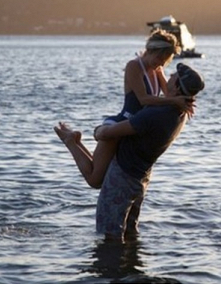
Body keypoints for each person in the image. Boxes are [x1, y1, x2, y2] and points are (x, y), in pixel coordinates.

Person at [54, 63, 205, 241]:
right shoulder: (180, 113)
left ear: (177, 86)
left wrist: (98, 130)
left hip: (123, 179)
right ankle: (131, 266)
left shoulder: (157, 114)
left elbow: (107, 133)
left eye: (173, 76)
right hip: (140, 178)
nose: (169, 77)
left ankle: (110, 267)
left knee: (109, 235)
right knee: (130, 234)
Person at [62, 30, 193, 189]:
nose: (160, 63)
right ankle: (71, 142)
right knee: (95, 180)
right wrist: (175, 101)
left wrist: (186, 101)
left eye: (164, 61)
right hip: (119, 125)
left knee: (101, 176)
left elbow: (168, 94)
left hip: (133, 129)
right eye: (159, 58)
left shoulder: (157, 70)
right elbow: (143, 99)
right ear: (150, 50)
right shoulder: (134, 66)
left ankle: (76, 141)